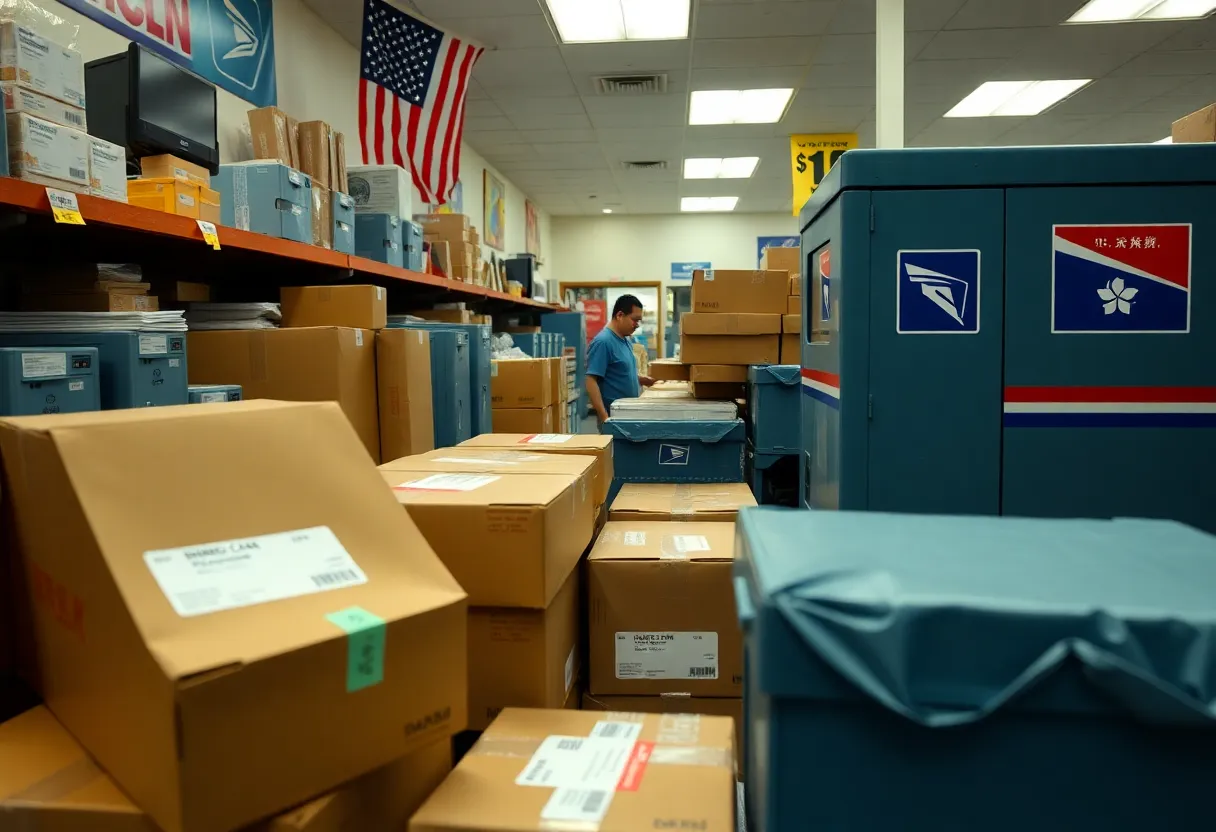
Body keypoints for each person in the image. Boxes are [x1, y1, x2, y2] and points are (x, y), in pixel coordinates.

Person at [586, 294, 655, 428]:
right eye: (634, 320)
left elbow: (619, 372)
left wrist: (642, 380)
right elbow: (591, 380)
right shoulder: (603, 342)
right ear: (620, 315)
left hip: (628, 414)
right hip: (614, 418)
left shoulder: (625, 340)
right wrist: (605, 418)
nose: (637, 325)